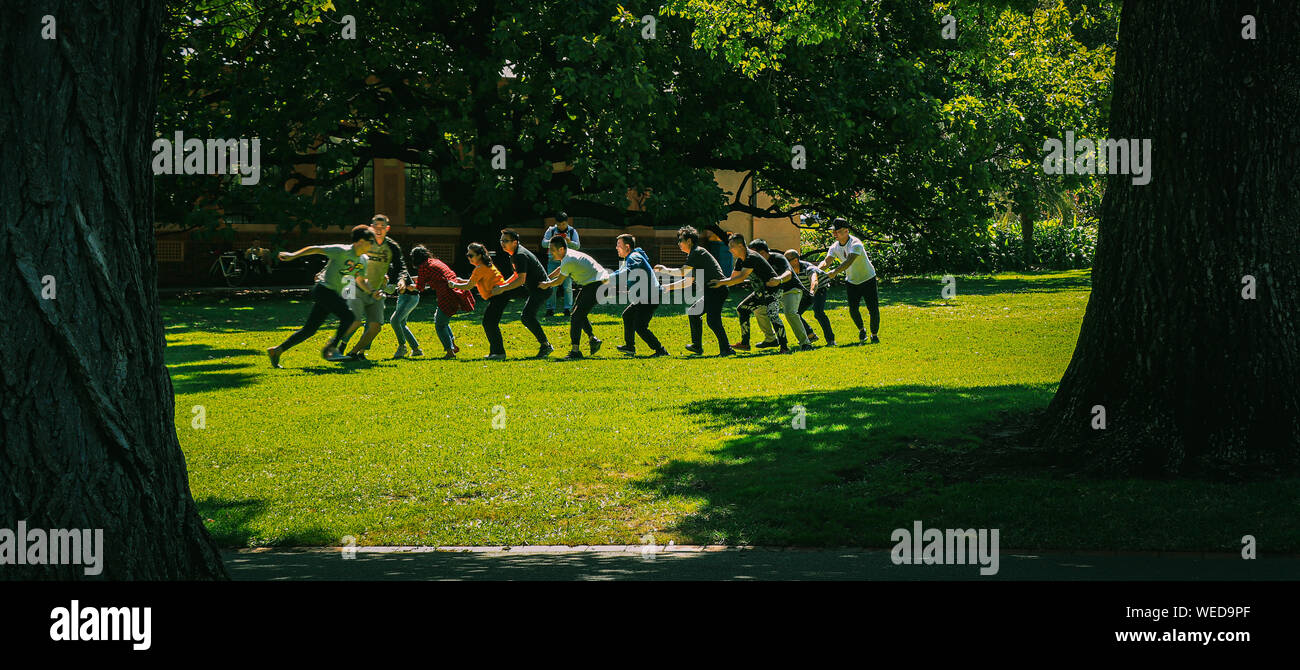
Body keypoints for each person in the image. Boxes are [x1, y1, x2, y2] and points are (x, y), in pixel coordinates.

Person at [265, 225, 376, 368]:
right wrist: (293, 255)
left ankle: (277, 351)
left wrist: (372, 291)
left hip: (334, 294)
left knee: (309, 330)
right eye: (371, 241)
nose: (373, 245)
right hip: (324, 290)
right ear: (360, 241)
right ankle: (331, 349)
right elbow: (316, 248)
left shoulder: (364, 260)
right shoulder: (341, 250)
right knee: (348, 317)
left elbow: (360, 280)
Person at [337, 214, 409, 359]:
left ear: (387, 229)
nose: (379, 229)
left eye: (382, 227)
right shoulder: (364, 241)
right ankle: (340, 345)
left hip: (376, 289)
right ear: (371, 227)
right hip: (354, 285)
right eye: (376, 226)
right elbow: (345, 256)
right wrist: (323, 272)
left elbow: (401, 266)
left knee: (375, 326)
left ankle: (356, 352)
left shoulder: (392, 247)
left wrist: (401, 280)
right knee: (354, 320)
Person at [656, 225, 734, 356]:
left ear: (689, 241)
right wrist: (668, 287)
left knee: (713, 321)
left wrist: (664, 270)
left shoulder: (697, 252)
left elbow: (683, 272)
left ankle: (727, 350)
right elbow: (688, 280)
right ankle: (697, 346)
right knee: (693, 312)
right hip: (712, 291)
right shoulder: (695, 254)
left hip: (716, 290)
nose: (678, 243)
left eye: (680, 240)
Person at [709, 233, 790, 354]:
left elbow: (741, 278)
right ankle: (745, 343)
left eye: (732, 246)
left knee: (772, 314)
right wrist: (719, 284)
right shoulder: (740, 260)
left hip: (773, 290)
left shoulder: (751, 257)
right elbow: (732, 279)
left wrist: (720, 283)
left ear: (741, 245)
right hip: (760, 292)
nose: (730, 249)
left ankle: (784, 347)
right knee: (743, 309)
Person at [538, 236, 608, 359]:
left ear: (560, 249)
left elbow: (559, 281)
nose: (550, 253)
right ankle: (593, 339)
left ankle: (575, 352)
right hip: (593, 283)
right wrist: (548, 277)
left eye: (552, 250)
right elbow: (561, 269)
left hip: (598, 284)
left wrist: (546, 284)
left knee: (576, 316)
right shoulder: (567, 255)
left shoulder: (568, 259)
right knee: (577, 312)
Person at [489, 228, 555, 358]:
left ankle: (546, 345)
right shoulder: (515, 253)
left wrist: (503, 288)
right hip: (538, 289)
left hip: (542, 289)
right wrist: (503, 284)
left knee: (527, 317)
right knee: (527, 317)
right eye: (501, 240)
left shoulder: (519, 255)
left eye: (505, 241)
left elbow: (520, 280)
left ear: (514, 242)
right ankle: (545, 345)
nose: (502, 243)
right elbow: (516, 274)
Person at [401, 245, 476, 359]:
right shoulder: (433, 262)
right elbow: (423, 278)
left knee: (440, 325)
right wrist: (410, 279)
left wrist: (411, 287)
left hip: (447, 295)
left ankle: (450, 352)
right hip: (454, 291)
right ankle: (452, 345)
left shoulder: (424, 267)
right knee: (442, 320)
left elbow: (420, 287)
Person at [819, 217, 880, 344]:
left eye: (838, 231)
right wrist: (815, 270)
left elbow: (849, 261)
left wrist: (834, 272)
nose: (835, 234)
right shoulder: (835, 247)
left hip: (868, 278)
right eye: (834, 232)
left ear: (846, 231)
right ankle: (862, 330)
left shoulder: (856, 243)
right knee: (853, 310)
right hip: (852, 281)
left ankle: (874, 335)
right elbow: (826, 261)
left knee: (873, 309)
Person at [607, 234, 669, 357]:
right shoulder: (631, 257)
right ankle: (630, 347)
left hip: (650, 296)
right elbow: (624, 273)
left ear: (627, 246)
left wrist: (607, 278)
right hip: (645, 296)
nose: (616, 248)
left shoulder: (634, 257)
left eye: (619, 245)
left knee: (640, 326)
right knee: (628, 315)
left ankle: (661, 350)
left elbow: (628, 272)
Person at [749, 239, 813, 351]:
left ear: (763, 252)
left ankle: (805, 343)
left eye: (754, 253)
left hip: (791, 289)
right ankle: (771, 339)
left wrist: (779, 280)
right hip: (773, 292)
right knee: (758, 310)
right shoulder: (756, 262)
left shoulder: (778, 258)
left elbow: (788, 274)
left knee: (790, 313)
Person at [449, 243, 508, 359]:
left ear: (479, 256)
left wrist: (453, 285)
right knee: (490, 323)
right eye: (468, 255)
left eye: (471, 255)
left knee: (489, 323)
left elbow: (469, 286)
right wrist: (461, 281)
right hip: (500, 296)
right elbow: (477, 282)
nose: (469, 258)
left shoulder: (480, 268)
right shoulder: (486, 265)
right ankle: (495, 353)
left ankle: (499, 353)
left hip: (498, 297)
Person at [786, 248, 835, 346]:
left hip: (820, 287)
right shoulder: (790, 270)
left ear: (795, 260)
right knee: (795, 313)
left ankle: (831, 340)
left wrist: (812, 293)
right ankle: (810, 335)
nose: (785, 262)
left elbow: (815, 281)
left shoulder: (808, 268)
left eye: (787, 260)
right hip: (807, 289)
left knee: (818, 312)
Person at [541, 212, 580, 318]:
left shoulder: (572, 231)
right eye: (559, 224)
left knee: (567, 286)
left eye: (563, 224)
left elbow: (577, 246)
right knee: (551, 286)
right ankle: (550, 309)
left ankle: (568, 309)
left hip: (567, 261)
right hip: (553, 261)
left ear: (567, 222)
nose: (561, 226)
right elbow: (543, 244)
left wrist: (569, 241)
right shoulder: (551, 230)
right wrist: (553, 239)